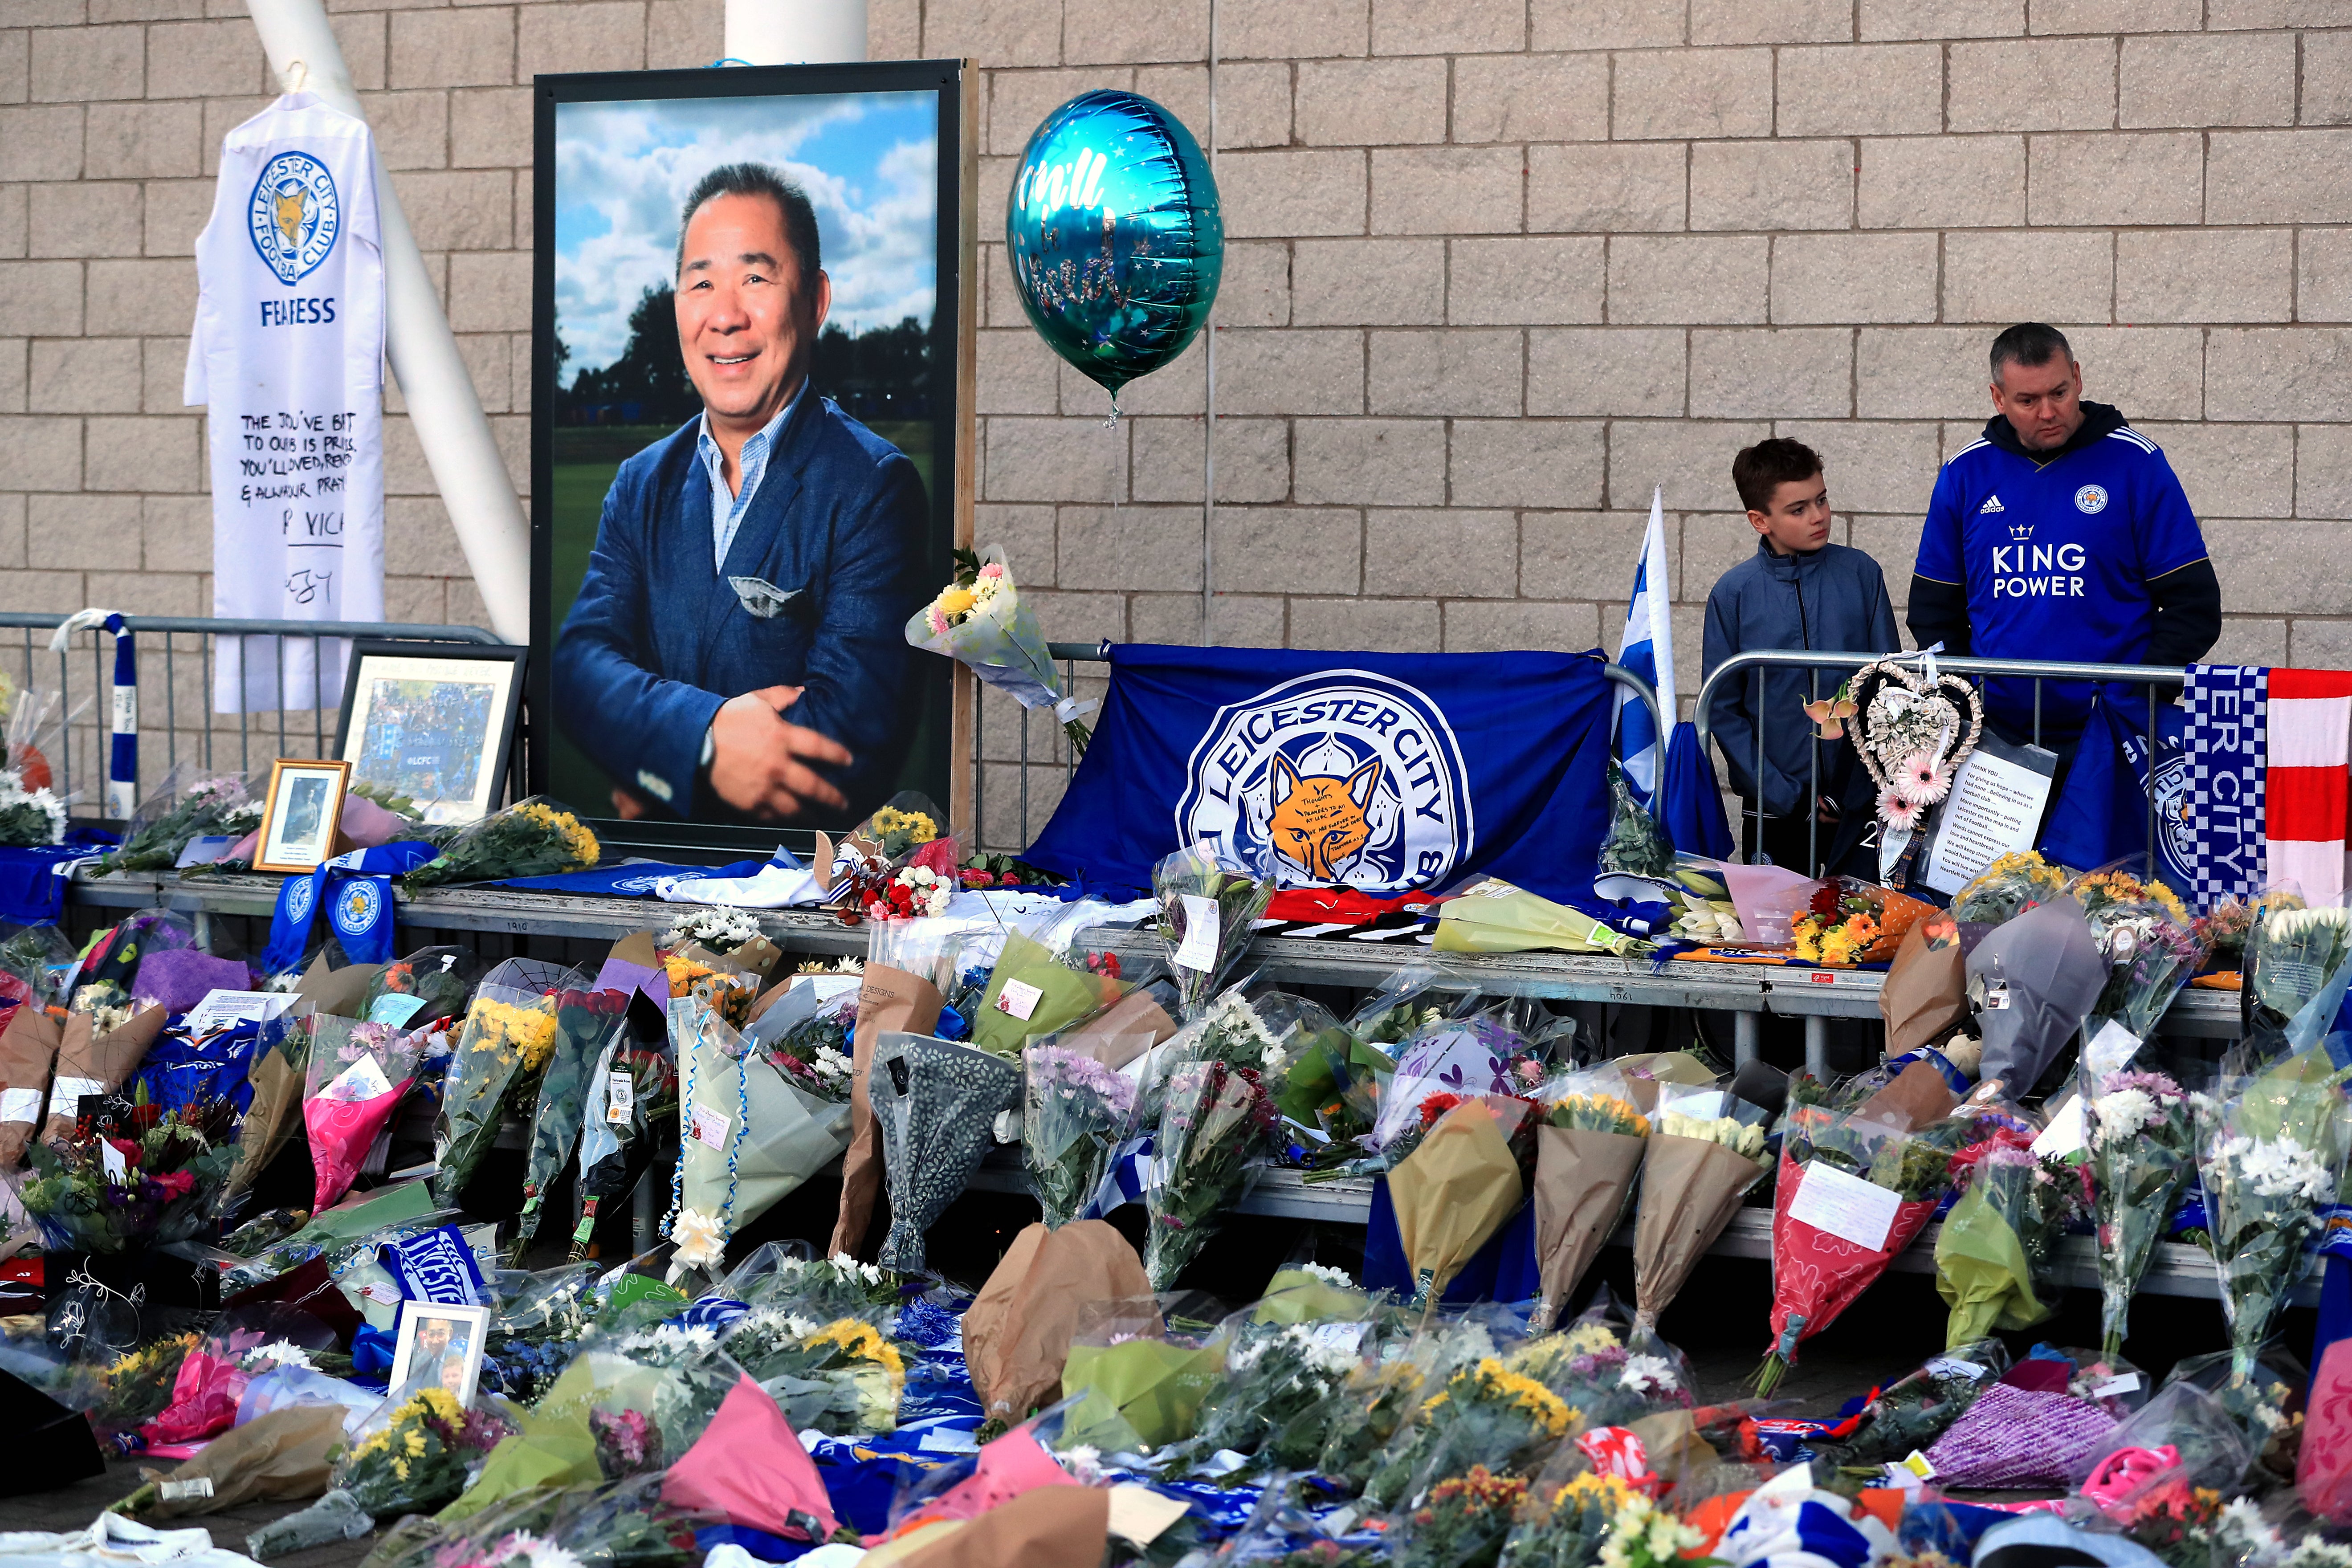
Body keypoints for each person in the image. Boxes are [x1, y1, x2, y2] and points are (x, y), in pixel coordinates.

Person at [554, 162, 930, 827]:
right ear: (677, 305)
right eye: (702, 283)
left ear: (815, 301)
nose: (725, 316)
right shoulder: (641, 482)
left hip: (800, 897)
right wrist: (703, 741)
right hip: (646, 882)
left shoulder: (873, 486)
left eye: (755, 278)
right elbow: (580, 673)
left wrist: (655, 769)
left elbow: (839, 747)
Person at [1908, 323, 2220, 748]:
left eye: (2058, 393)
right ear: (1998, 398)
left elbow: (2194, 605)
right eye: (2027, 400)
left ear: (2077, 377)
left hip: (2114, 734)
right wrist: (1969, 699)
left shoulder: (2135, 464)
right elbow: (1932, 610)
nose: (2048, 412)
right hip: (1996, 738)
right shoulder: (1965, 474)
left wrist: (2135, 698)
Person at [1704, 437, 1902, 874]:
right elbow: (1723, 710)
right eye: (1798, 509)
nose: (1817, 516)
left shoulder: (1860, 573)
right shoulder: (1733, 594)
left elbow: (1888, 689)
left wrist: (1851, 792)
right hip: (1775, 809)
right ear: (1760, 520)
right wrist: (1785, 794)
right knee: (1777, 930)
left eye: (1822, 500)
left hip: (1857, 806)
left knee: (1857, 931)